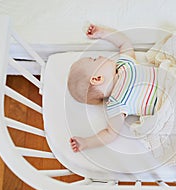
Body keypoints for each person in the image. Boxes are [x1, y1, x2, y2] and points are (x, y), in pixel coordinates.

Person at [68, 24, 159, 152]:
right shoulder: (116, 105)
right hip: (166, 102)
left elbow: (124, 43)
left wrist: (102, 33)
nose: (99, 56)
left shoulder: (124, 66)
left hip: (173, 78)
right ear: (97, 79)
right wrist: (86, 142)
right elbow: (110, 134)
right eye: (94, 59)